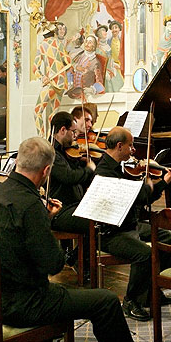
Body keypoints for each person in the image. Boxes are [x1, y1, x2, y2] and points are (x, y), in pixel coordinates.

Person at [0, 137, 168, 342]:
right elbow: (54, 264)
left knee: (59, 296)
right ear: (46, 171)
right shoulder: (29, 204)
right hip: (21, 303)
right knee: (106, 301)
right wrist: (46, 223)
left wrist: (43, 222)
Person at [94, 127, 171, 321]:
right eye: (131, 145)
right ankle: (131, 301)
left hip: (129, 225)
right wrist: (148, 182)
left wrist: (163, 181)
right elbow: (139, 196)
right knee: (144, 254)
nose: (133, 151)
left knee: (164, 236)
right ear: (119, 145)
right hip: (112, 232)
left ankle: (151, 292)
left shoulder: (120, 167)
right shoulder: (105, 172)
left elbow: (142, 198)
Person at [48, 111, 96, 275]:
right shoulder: (52, 153)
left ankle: (76, 258)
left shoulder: (66, 152)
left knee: (98, 220)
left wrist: (82, 164)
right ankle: (77, 259)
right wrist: (89, 169)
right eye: (73, 132)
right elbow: (68, 177)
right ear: (62, 130)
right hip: (61, 210)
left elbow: (78, 177)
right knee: (93, 224)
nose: (76, 136)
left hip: (74, 205)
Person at [33, 22, 72, 138]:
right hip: (61, 83)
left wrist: (42, 76)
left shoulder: (42, 45)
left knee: (37, 111)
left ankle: (42, 139)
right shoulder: (59, 44)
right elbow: (68, 62)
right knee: (53, 115)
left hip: (51, 83)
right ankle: (52, 141)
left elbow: (35, 68)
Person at [67, 35, 105, 99]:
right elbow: (70, 69)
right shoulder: (79, 56)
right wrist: (70, 82)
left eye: (90, 42)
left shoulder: (95, 62)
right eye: (86, 42)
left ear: (94, 46)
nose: (87, 44)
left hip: (86, 95)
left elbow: (100, 83)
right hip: (73, 93)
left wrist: (90, 90)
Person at [105, 20, 125, 93]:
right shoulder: (108, 41)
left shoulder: (122, 41)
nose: (114, 30)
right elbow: (107, 56)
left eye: (116, 28)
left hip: (122, 65)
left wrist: (121, 65)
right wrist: (113, 64)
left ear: (119, 29)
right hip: (113, 66)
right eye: (112, 28)